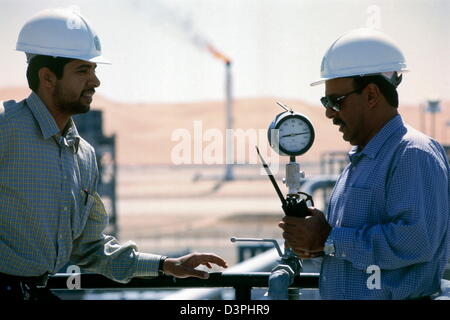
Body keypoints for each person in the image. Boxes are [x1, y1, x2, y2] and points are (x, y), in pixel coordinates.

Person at [0, 8, 227, 300]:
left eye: (94, 71)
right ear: (47, 77)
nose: (95, 82)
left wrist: (167, 265)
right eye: (83, 71)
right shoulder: (6, 129)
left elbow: (90, 248)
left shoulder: (83, 155)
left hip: (37, 291)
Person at [279, 28, 450, 299]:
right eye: (326, 101)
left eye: (336, 101)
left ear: (371, 95)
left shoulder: (413, 154)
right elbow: (353, 251)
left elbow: (415, 241)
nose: (328, 113)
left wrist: (329, 239)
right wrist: (318, 244)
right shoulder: (362, 159)